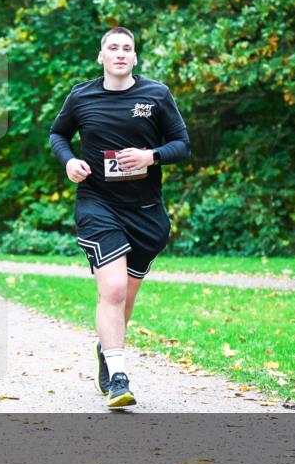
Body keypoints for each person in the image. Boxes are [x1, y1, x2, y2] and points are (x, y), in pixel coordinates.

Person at [49, 27, 191, 408]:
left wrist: (151, 156)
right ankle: (119, 377)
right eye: (113, 48)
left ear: (135, 57)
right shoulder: (82, 95)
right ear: (101, 56)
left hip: (146, 213)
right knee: (110, 290)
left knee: (124, 300)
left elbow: (182, 144)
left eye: (127, 48)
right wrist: (70, 162)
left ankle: (105, 349)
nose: (120, 54)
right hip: (98, 204)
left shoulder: (156, 95)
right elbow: (57, 134)